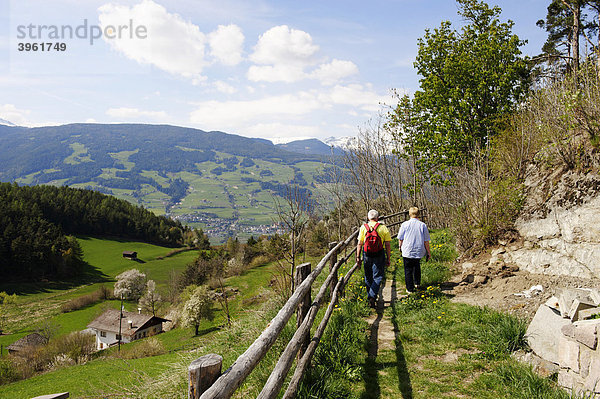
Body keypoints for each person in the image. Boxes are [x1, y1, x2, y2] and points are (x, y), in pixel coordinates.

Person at [356, 209, 392, 308]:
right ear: (377, 217)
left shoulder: (364, 227)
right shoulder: (383, 228)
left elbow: (360, 244)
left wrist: (358, 257)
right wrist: (388, 258)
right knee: (378, 276)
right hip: (379, 254)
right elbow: (388, 244)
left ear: (368, 218)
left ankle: (370, 296)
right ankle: (372, 296)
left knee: (368, 276)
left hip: (367, 254)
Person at [397, 207, 431, 294]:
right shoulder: (422, 225)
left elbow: (400, 238)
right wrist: (428, 252)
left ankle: (410, 288)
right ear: (418, 214)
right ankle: (417, 283)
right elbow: (426, 240)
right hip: (419, 250)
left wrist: (400, 247)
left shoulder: (405, 224)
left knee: (408, 269)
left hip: (407, 249)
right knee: (416, 266)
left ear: (409, 214)